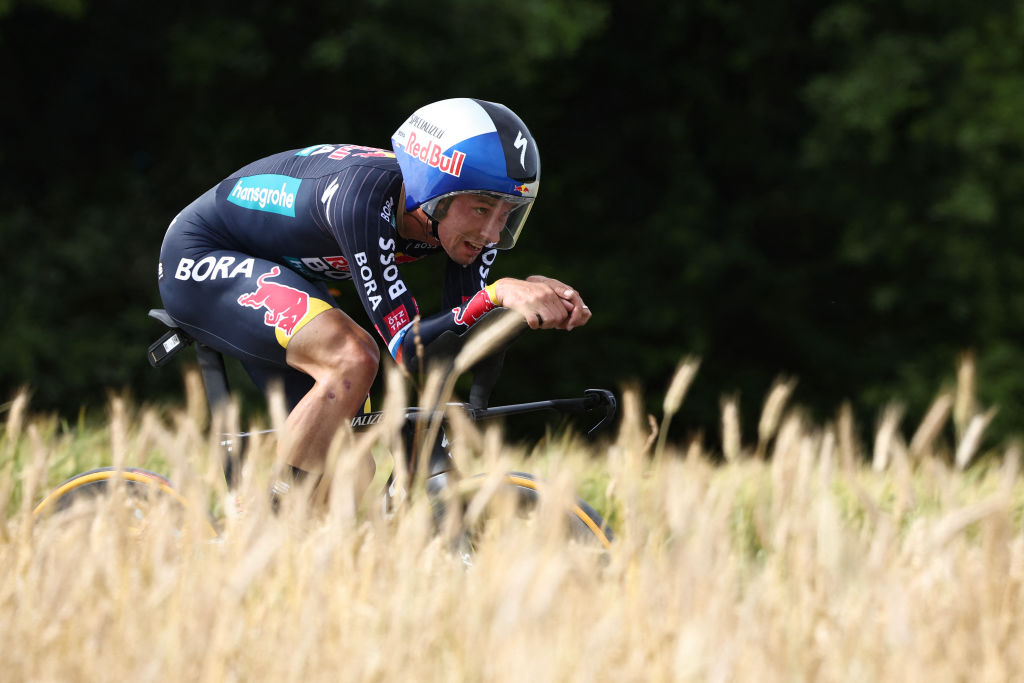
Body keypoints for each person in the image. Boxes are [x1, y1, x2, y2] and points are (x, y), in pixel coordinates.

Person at [157, 97, 591, 499]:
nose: (493, 233)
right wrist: (496, 294)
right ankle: (267, 518)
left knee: (349, 474)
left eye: (507, 213)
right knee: (353, 357)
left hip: (284, 270)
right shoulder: (361, 200)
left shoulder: (458, 226)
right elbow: (412, 350)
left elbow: (456, 339)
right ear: (433, 189)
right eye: (482, 209)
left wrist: (517, 308)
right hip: (202, 256)